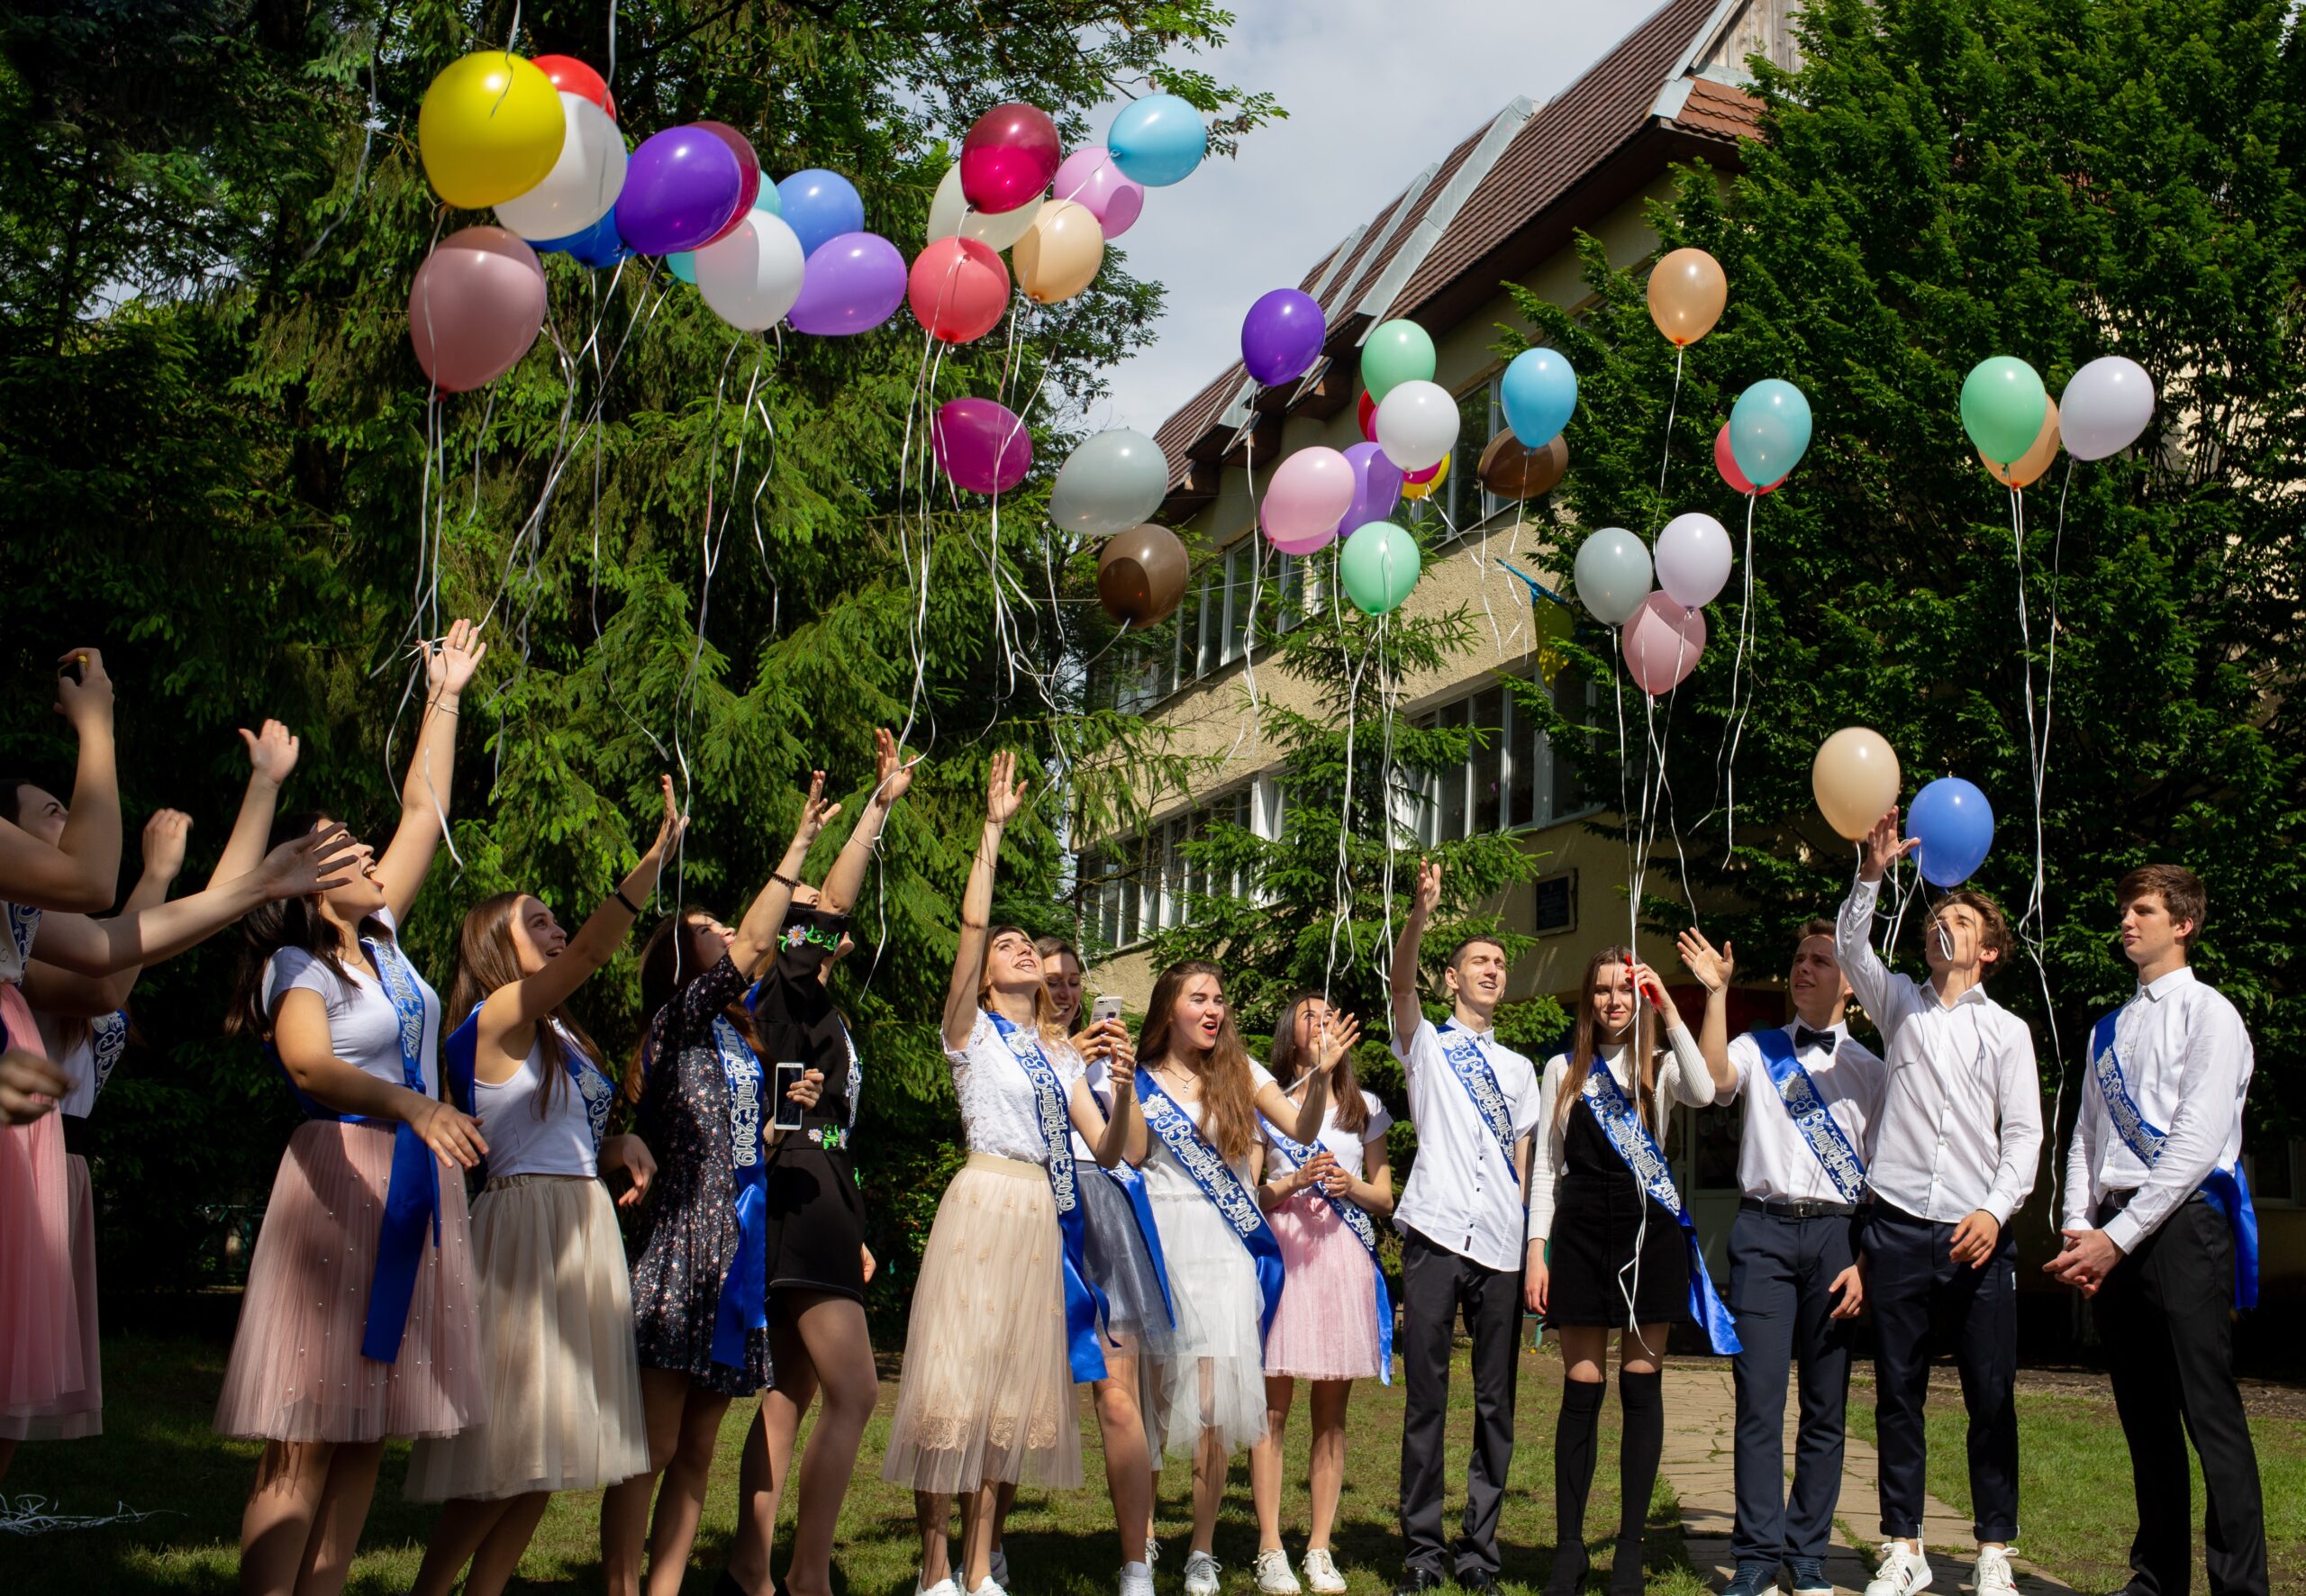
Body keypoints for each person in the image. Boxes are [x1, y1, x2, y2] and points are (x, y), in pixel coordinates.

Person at [213, 620, 495, 1596]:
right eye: (344, 848)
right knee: (307, 1428)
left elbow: (424, 805)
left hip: (410, 1181)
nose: (371, 849)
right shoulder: (301, 963)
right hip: (341, 1175)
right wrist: (410, 1104)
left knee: (370, 1420)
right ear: (307, 884)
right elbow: (310, 1065)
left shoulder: (388, 946)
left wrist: (445, 692)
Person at [401, 776, 684, 1596]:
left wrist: (617, 1142)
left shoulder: (560, 1034)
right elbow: (600, 950)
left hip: (581, 1225)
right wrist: (653, 860)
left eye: (558, 920)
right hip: (526, 1234)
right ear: (497, 945)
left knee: (552, 1456)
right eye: (539, 922)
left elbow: (559, 1135)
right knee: (506, 1451)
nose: (559, 932)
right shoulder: (495, 1015)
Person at [883, 750, 1141, 1596]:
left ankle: (978, 1562)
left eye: (1030, 943)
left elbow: (1108, 1152)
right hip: (982, 1201)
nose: (1023, 949)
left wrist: (1126, 1087)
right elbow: (967, 936)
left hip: (1038, 1219)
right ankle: (933, 1569)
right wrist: (991, 834)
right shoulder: (970, 1031)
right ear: (990, 974)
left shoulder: (1057, 1054)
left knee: (1006, 1402)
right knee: (953, 1386)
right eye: (1010, 945)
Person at [601, 776, 838, 1596]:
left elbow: (740, 1139)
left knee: (698, 1449)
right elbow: (755, 950)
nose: (725, 934)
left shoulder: (738, 1038)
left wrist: (779, 1125)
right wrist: (797, 847)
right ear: (676, 957)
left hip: (735, 1250)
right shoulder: (674, 1025)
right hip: (682, 1248)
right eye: (705, 930)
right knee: (656, 1445)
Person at [722, 728, 912, 1596]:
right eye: (801, 914)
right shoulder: (787, 992)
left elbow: (841, 1130)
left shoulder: (822, 1015)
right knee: (858, 1392)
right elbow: (829, 903)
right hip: (799, 1205)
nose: (819, 921)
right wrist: (874, 811)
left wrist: (859, 1227)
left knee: (791, 1394)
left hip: (828, 1201)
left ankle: (752, 1568)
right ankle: (807, 1577)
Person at [2044, 865, 2266, 1596]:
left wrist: (2121, 1234)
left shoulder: (2211, 1015)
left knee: (2210, 1413)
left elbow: (2197, 1144)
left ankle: (2239, 1585)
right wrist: (2080, 1225)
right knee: (2144, 1418)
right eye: (2125, 909)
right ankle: (2157, 1578)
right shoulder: (2108, 1029)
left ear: (2184, 923)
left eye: (2143, 910)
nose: (2127, 921)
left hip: (2183, 1226)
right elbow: (2083, 1139)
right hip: (2113, 1232)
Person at [1841, 809, 2041, 1596]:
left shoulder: (2011, 1032)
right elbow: (1854, 948)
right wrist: (1872, 874)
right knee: (1899, 1394)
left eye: (1958, 921)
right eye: (1935, 920)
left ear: (1988, 950)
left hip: (1976, 1234)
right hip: (1894, 1228)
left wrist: (1994, 1211)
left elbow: (2024, 1137)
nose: (1941, 928)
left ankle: (1993, 1552)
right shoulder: (1900, 1007)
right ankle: (1906, 1546)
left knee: (1991, 1395)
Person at [1527, 943, 1734, 1596]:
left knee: (1641, 1390)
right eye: (1602, 990)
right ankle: (1568, 1548)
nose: (1613, 1000)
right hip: (1582, 1231)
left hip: (1650, 1234)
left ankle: (1629, 1549)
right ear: (1587, 1000)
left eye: (1625, 990)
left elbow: (1706, 1093)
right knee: (1582, 1390)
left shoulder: (1661, 1067)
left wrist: (1669, 1002)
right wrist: (1538, 1250)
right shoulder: (1563, 1067)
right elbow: (1544, 1169)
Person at [1682, 922, 1882, 1596]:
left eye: (1821, 960)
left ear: (1850, 982)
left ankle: (1810, 1554)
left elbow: (1888, 1176)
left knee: (1827, 1407)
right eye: (1798, 958)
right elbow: (1711, 1082)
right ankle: (1759, 1554)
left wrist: (1866, 1259)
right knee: (1759, 1402)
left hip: (1836, 1239)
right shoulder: (1757, 1047)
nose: (1804, 968)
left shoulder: (1874, 1071)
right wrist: (1716, 995)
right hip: (1763, 1234)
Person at [1137, 957, 1336, 1596]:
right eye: (1200, 998)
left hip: (1222, 1248)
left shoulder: (1241, 1073)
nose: (1213, 1009)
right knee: (1151, 1402)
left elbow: (1302, 1129)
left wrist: (1323, 1080)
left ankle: (1201, 1548)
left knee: (1212, 1408)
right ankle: (1139, 1536)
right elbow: (1132, 1156)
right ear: (1171, 1007)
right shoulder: (1138, 1081)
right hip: (1160, 1241)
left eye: (1220, 999)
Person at [984, 936, 1174, 1596]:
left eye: (1072, 983)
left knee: (1117, 1399)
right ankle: (989, 1548)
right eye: (1053, 980)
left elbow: (1134, 1151)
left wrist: (1122, 1085)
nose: (1063, 992)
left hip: (1098, 1211)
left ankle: (1135, 1565)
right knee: (1017, 1398)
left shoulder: (1096, 1057)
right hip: (1033, 1209)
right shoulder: (1011, 1044)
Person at [1385, 860, 1543, 1596]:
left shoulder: (1519, 1069)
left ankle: (1479, 1551)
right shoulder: (1425, 1046)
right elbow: (1401, 986)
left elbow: (1524, 1166)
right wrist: (1420, 916)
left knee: (1495, 1404)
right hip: (1436, 1236)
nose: (1492, 970)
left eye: (1500, 964)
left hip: (1502, 1248)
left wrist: (1528, 1240)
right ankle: (1421, 1549)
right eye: (1478, 961)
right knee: (1427, 1398)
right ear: (1453, 979)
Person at [1249, 991, 1386, 1596]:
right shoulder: (1267, 1103)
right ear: (1290, 1031)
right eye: (1309, 1014)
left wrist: (1347, 1182)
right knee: (1270, 1409)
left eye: (1330, 1014)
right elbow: (1251, 1192)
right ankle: (1270, 1546)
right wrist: (1293, 1180)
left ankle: (1319, 1547)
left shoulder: (1366, 1109)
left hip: (1343, 1258)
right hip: (1285, 1258)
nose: (1321, 1021)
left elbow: (1385, 1197)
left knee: (1331, 1416)